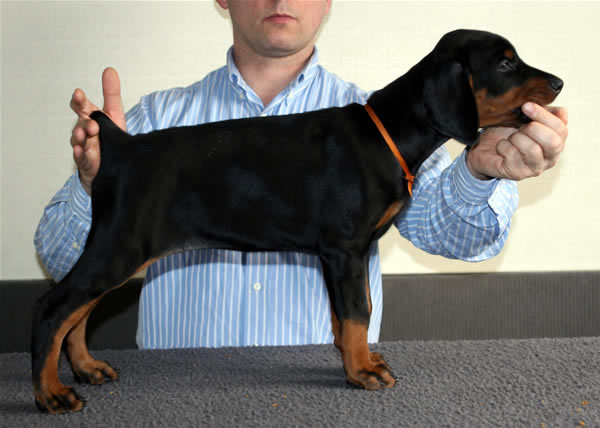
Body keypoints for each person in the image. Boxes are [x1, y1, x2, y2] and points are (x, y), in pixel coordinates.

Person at [34, 0, 568, 349]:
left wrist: (478, 172)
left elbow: (451, 236)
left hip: (326, 393)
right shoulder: (153, 122)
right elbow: (60, 259)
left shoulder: (387, 130)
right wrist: (95, 187)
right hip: (176, 390)